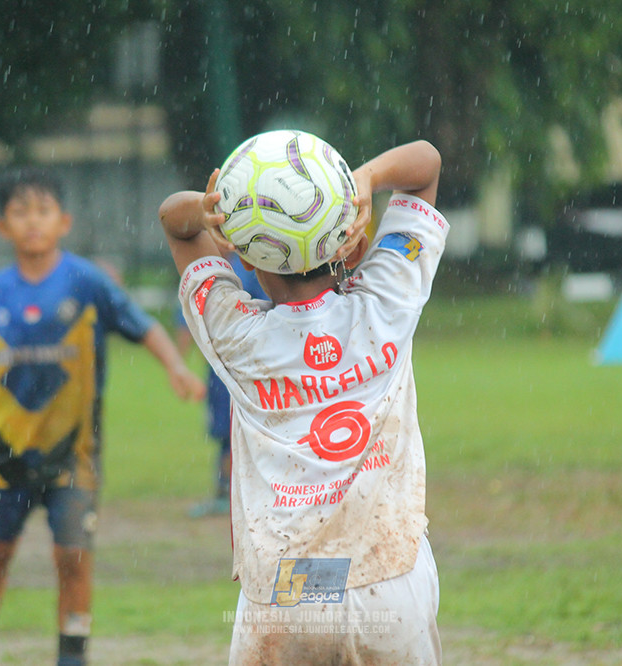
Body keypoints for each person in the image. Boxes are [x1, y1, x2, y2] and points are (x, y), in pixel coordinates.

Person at [160, 139, 446, 664]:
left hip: (287, 591)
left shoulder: (236, 336)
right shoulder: (387, 301)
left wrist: (209, 210)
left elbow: (174, 223)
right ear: (350, 246)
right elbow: (425, 164)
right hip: (389, 577)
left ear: (246, 258)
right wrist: (363, 178)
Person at [0, 169, 205, 666]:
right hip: (6, 453)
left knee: (72, 559)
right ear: (3, 226)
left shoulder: (86, 281)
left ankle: (72, 658)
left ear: (63, 222)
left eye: (43, 211)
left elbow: (143, 327)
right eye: (20, 212)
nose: (33, 221)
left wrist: (175, 366)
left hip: (75, 456)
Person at [175, 252, 269, 517]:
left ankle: (233, 492)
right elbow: (185, 318)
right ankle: (227, 491)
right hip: (227, 368)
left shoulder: (240, 266)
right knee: (226, 431)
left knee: (235, 429)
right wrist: (179, 365)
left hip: (241, 367)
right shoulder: (217, 267)